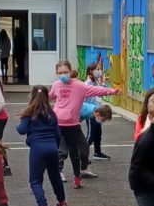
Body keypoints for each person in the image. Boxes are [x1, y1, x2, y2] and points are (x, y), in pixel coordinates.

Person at [50, 60, 118, 189]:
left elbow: (96, 90)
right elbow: (50, 96)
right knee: (62, 150)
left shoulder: (79, 86)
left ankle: (81, 172)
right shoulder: (56, 85)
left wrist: (112, 91)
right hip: (59, 124)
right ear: (56, 73)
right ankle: (59, 171)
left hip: (73, 125)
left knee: (80, 149)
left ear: (70, 71)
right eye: (60, 73)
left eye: (65, 72)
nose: (62, 75)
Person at [17, 85, 67, 206]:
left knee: (35, 180)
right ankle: (62, 202)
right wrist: (55, 147)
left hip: (38, 148)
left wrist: (21, 120)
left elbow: (21, 130)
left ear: (31, 96)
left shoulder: (29, 112)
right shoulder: (52, 113)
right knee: (55, 175)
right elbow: (57, 134)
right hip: (52, 147)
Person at [85, 63, 111, 160]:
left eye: (100, 69)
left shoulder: (96, 81)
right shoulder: (88, 82)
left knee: (98, 134)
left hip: (98, 111)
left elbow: (102, 92)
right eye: (97, 69)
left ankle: (97, 153)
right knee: (90, 135)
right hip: (91, 112)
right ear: (91, 71)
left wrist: (103, 83)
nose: (100, 71)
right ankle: (83, 155)